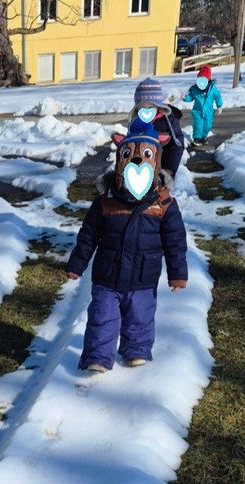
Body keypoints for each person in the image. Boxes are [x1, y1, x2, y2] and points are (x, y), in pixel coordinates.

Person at [66, 119, 188, 373]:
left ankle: (136, 350)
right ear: (120, 165)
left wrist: (177, 273)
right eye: (129, 159)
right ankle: (98, 356)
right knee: (102, 317)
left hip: (143, 275)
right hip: (107, 275)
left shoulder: (163, 203)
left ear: (155, 165)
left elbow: (175, 240)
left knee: (140, 317)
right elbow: (89, 234)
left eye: (145, 159)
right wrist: (77, 263)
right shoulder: (106, 202)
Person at [129, 77, 186, 176]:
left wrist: (166, 172)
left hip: (162, 165)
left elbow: (176, 147)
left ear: (158, 106)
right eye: (142, 108)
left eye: (150, 108)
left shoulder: (168, 121)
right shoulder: (136, 122)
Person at [183, 65, 223, 145]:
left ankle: (203, 138)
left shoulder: (213, 89)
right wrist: (184, 97)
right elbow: (190, 97)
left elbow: (218, 97)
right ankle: (196, 139)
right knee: (198, 126)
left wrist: (219, 106)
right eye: (199, 79)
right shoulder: (194, 89)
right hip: (197, 111)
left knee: (207, 126)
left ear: (208, 80)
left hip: (209, 112)